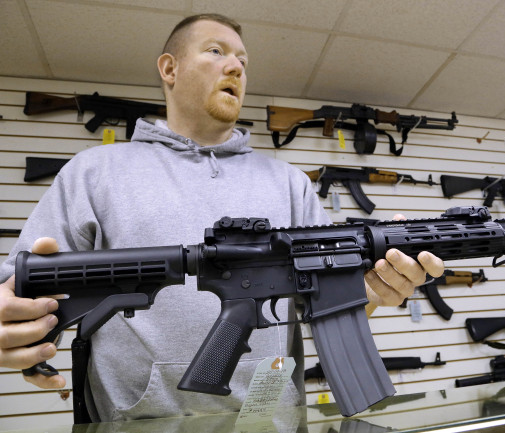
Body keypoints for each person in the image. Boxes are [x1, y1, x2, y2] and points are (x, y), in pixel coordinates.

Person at [0, 13, 444, 422]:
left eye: (243, 61)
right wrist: (18, 327)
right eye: (216, 51)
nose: (235, 67)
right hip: (141, 425)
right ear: (169, 69)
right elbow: (19, 292)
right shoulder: (95, 172)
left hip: (267, 418)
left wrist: (374, 290)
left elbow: (329, 303)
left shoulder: (289, 182)